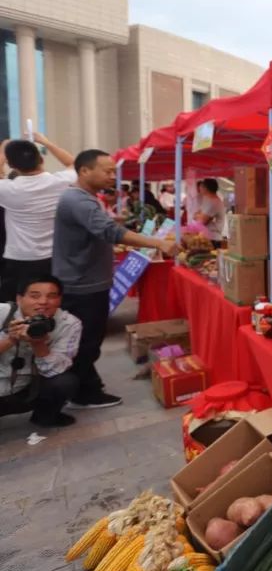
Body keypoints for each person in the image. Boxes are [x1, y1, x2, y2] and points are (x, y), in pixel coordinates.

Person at [52, 150, 179, 408]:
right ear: (85, 171)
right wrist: (157, 243)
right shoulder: (78, 200)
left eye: (113, 171)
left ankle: (87, 384)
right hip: (81, 283)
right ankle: (80, 393)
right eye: (107, 171)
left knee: (88, 339)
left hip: (87, 279)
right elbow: (110, 232)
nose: (113, 176)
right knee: (86, 340)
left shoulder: (85, 199)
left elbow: (101, 227)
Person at [0, 134, 77, 303]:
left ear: (11, 165)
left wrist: (2, 153)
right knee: (48, 302)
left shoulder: (8, 190)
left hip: (19, 257)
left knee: (16, 304)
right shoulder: (58, 182)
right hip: (51, 257)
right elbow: (75, 164)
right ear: (41, 159)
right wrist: (46, 142)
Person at [0, 276, 81, 427]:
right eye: (34, 296)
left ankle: (45, 416)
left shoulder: (68, 324)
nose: (43, 302)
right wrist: (10, 340)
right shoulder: (2, 313)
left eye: (51, 296)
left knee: (65, 382)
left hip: (28, 390)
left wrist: (38, 344)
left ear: (60, 300)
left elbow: (57, 369)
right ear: (19, 299)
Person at [194, 178, 227, 247]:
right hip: (208, 237)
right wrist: (199, 215)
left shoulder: (213, 203)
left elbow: (201, 221)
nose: (199, 189)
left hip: (213, 239)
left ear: (205, 188)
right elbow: (196, 215)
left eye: (201, 186)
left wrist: (199, 216)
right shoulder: (209, 201)